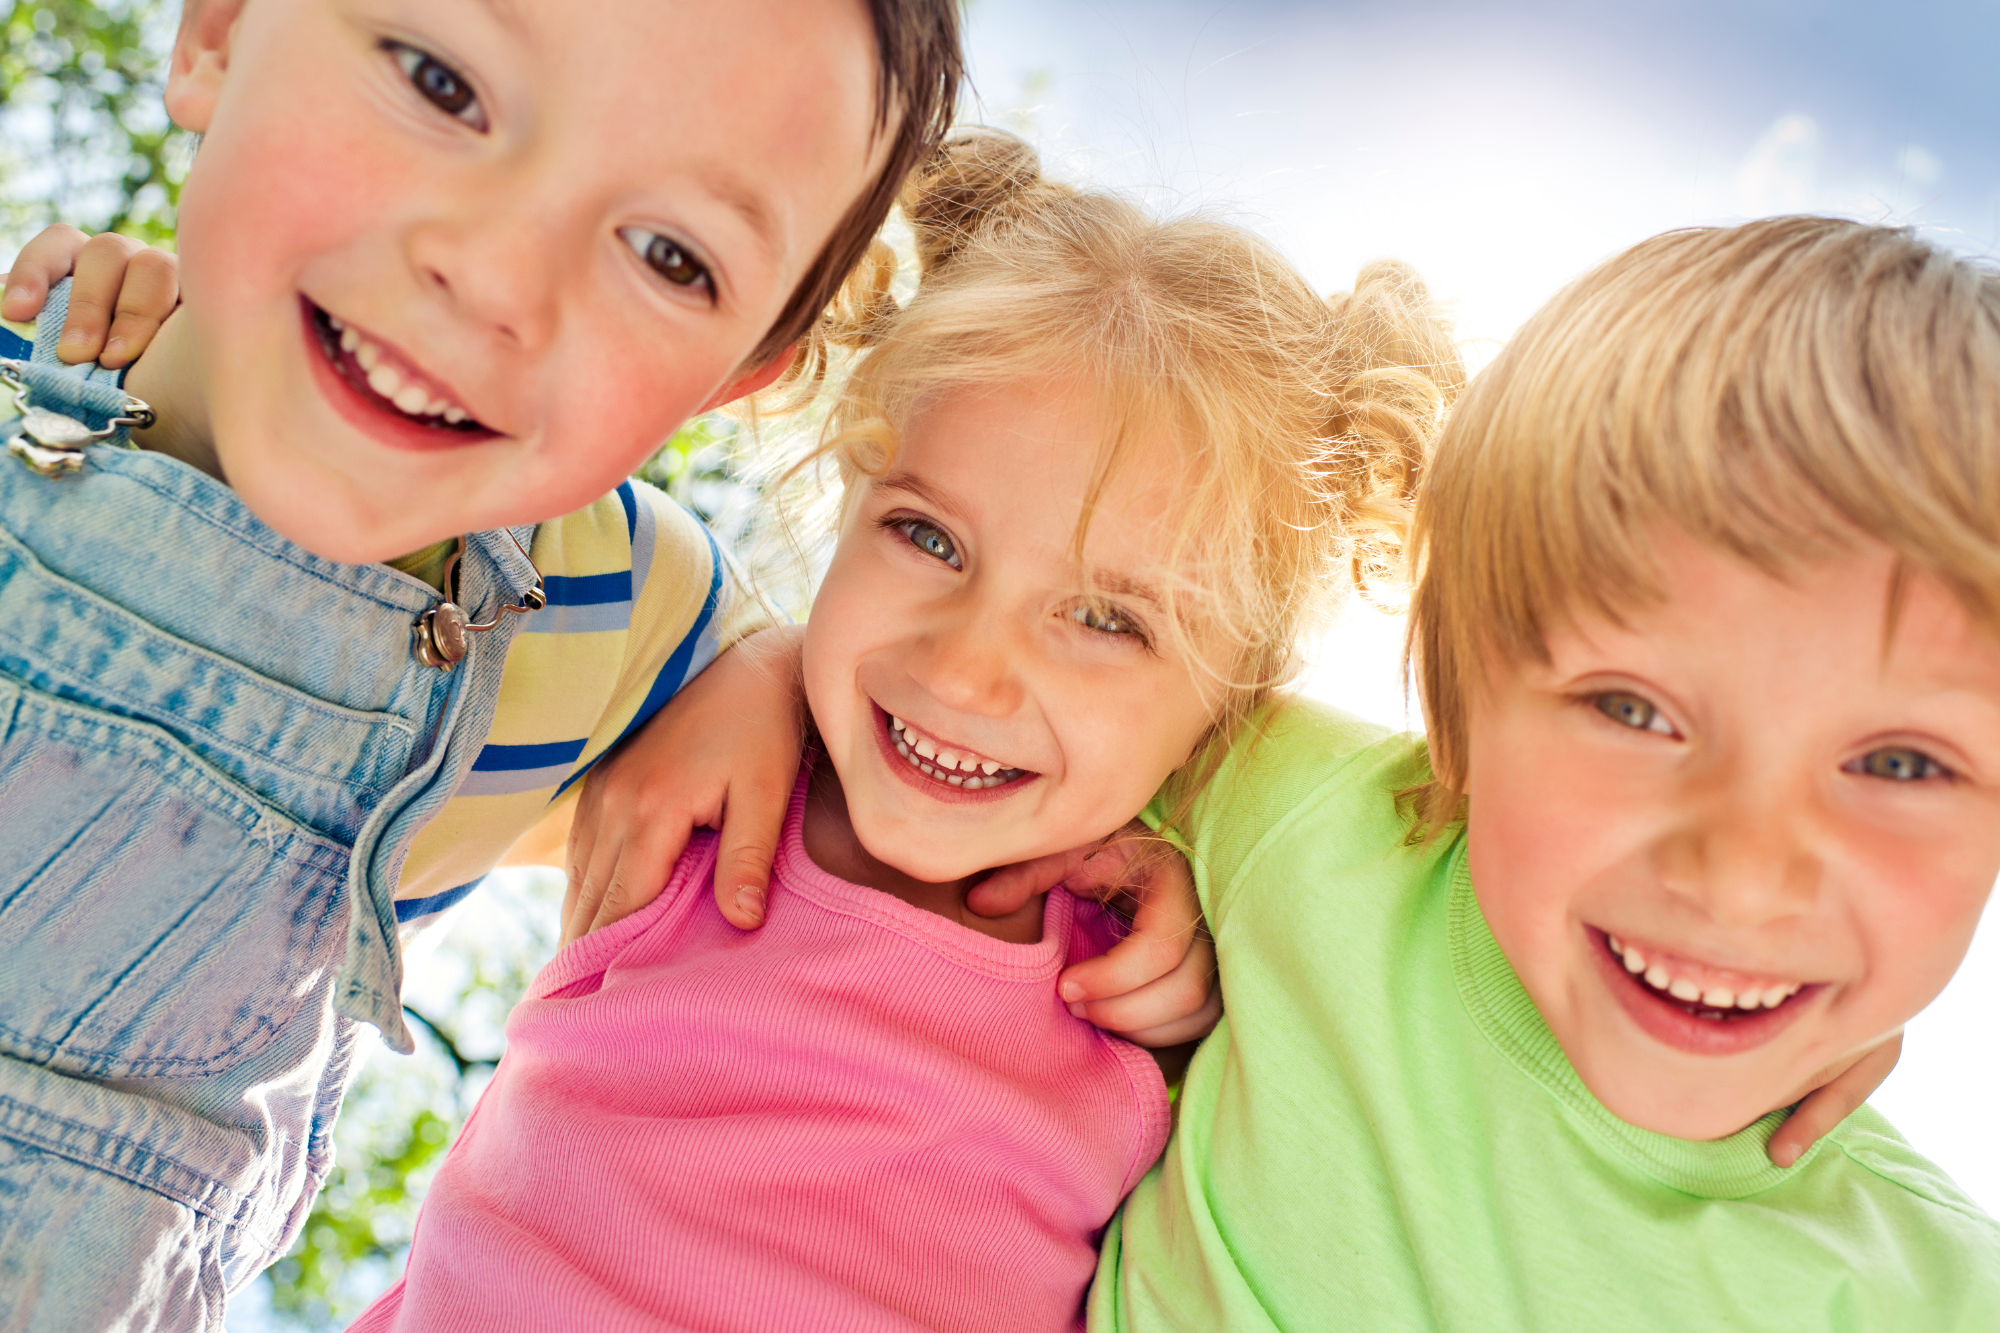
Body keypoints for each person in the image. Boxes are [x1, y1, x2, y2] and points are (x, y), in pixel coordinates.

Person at [338, 128, 1463, 1332]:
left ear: (1232, 706)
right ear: (848, 493)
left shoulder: (1173, 981)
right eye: (926, 538)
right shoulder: (685, 776)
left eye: (1105, 619)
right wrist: (747, 660)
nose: (967, 669)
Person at [0, 0, 979, 1325]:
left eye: (670, 256)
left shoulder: (616, 622)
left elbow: (935, 737)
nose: (502, 276)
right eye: (439, 81)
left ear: (732, 378)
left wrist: (760, 672)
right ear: (218, 33)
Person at [1087, 217, 2000, 1330]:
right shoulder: (1297, 810)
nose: (1739, 880)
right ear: (1457, 709)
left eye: (1899, 763)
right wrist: (1133, 849)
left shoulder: (1938, 1297)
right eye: (1632, 709)